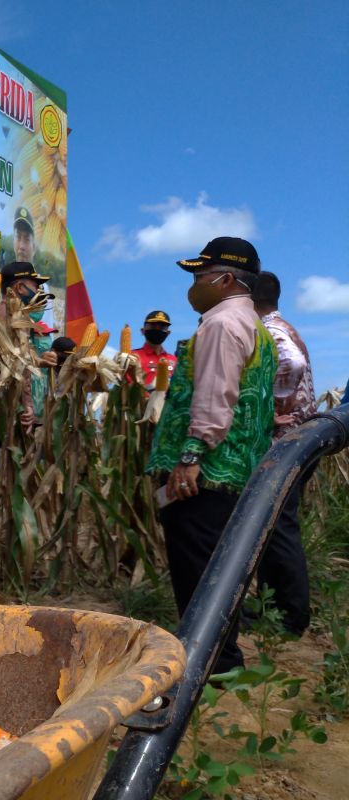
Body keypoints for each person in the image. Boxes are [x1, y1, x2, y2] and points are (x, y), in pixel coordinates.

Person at [146, 236, 278, 674]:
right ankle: (221, 655)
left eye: (201, 276)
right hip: (233, 469)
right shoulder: (254, 324)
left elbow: (215, 396)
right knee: (217, 564)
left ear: (224, 279)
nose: (194, 285)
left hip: (207, 472)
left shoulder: (221, 324)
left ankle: (211, 661)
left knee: (198, 566)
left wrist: (190, 456)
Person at [250, 270, 315, 634]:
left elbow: (292, 362)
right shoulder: (281, 324)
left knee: (279, 528)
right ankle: (274, 609)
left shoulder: (271, 331)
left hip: (284, 442)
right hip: (295, 440)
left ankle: (290, 618)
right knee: (274, 527)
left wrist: (275, 405)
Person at [0, 261, 56, 490]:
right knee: (3, 484)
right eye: (34, 286)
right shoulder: (14, 318)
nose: (37, 292)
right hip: (6, 414)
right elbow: (19, 368)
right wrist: (27, 406)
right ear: (18, 287)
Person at [129, 310, 178, 386]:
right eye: (153, 326)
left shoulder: (175, 361)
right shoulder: (131, 357)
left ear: (168, 333)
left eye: (162, 327)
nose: (157, 329)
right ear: (143, 331)